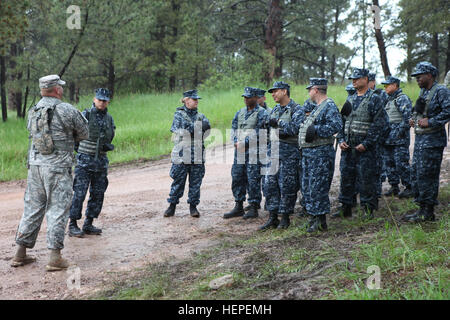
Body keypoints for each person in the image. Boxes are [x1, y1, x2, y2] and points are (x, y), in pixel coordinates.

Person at [12, 74, 88, 271]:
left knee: (32, 207)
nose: (62, 89)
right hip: (57, 168)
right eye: (60, 87)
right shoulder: (66, 109)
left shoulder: (33, 110)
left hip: (35, 166)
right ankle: (55, 257)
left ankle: (20, 253)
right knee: (57, 208)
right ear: (57, 90)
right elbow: (84, 133)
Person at [333, 68, 388, 220]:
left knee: (366, 178)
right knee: (347, 177)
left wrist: (367, 143)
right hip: (349, 148)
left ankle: (368, 209)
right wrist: (341, 139)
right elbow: (342, 121)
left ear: (365, 79)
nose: (354, 81)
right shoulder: (350, 99)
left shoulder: (374, 99)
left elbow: (379, 123)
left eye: (357, 78)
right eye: (352, 79)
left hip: (366, 149)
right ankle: (346, 207)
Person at [404, 62, 450, 222]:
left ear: (429, 75)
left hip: (433, 141)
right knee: (417, 173)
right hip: (421, 140)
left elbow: (448, 111)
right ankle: (421, 208)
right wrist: (413, 119)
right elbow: (419, 112)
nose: (417, 79)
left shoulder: (441, 91)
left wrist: (431, 122)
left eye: (419, 76)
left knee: (428, 176)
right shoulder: (424, 92)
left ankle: (428, 211)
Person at [68, 88, 116, 237]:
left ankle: (88, 223)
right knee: (79, 193)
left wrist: (106, 146)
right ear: (94, 100)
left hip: (101, 162)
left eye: (105, 100)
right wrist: (82, 151)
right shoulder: (85, 115)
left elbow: (110, 135)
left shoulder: (109, 118)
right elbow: (74, 136)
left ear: (108, 102)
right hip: (84, 161)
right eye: (99, 100)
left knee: (98, 193)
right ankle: (73, 224)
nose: (102, 103)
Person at [298, 78, 342, 232]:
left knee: (318, 187)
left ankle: (320, 220)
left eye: (310, 89)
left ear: (315, 89)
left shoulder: (328, 105)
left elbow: (336, 125)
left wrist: (316, 130)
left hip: (320, 154)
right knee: (309, 187)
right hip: (310, 153)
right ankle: (313, 217)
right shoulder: (317, 107)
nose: (309, 92)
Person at [259, 81, 301, 230]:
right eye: (271, 92)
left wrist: (278, 123)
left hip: (289, 154)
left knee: (287, 186)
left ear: (284, 91)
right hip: (273, 152)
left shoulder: (296, 109)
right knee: (269, 185)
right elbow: (269, 126)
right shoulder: (275, 109)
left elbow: (296, 129)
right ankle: (272, 216)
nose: (273, 95)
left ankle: (285, 217)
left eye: (275, 91)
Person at [164, 90, 211, 218]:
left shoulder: (200, 115)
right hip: (181, 154)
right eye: (193, 99)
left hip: (197, 154)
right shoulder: (179, 115)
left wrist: (198, 128)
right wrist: (199, 128)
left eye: (197, 99)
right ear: (186, 100)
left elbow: (207, 130)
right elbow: (184, 130)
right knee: (178, 181)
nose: (196, 101)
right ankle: (172, 206)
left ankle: (193, 207)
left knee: (196, 182)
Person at [224, 87, 268, 220]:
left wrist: (245, 142)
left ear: (255, 98)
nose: (246, 99)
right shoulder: (240, 112)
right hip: (240, 152)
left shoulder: (262, 113)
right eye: (245, 97)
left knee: (253, 178)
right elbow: (233, 128)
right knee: (237, 176)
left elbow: (259, 131)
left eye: (248, 97)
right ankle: (238, 205)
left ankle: (254, 206)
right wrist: (236, 141)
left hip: (254, 152)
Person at [380, 76, 413, 198]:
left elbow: (408, 119)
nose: (385, 88)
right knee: (389, 163)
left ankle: (409, 187)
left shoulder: (402, 99)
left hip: (399, 139)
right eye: (385, 86)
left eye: (388, 85)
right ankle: (394, 186)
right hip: (387, 139)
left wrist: (398, 133)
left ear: (395, 85)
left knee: (401, 163)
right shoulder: (388, 100)